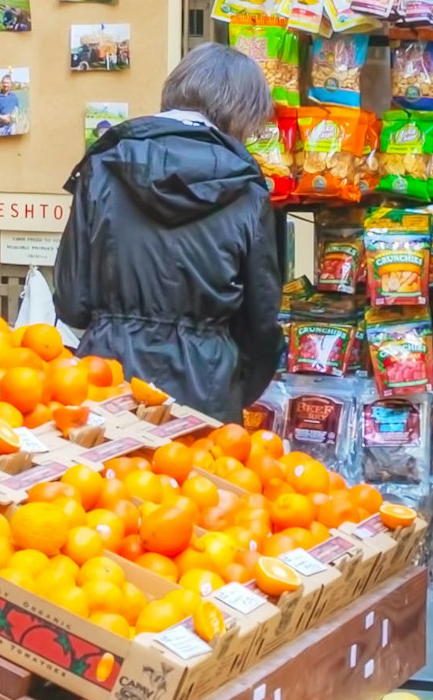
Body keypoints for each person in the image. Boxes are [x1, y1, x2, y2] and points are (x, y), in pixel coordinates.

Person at [51, 43, 284, 423]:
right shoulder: (246, 188)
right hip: (206, 389)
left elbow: (72, 299)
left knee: (104, 482)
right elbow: (261, 323)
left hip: (108, 381)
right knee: (193, 482)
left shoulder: (105, 164)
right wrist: (230, 380)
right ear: (244, 115)